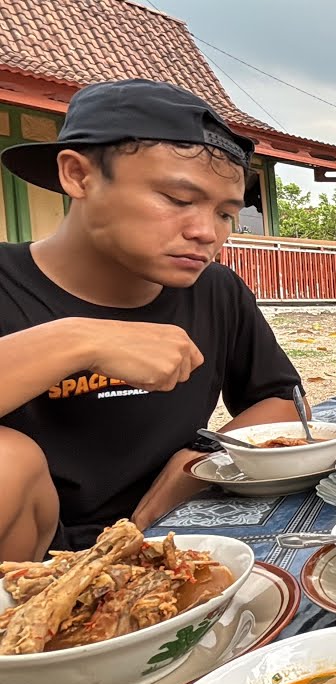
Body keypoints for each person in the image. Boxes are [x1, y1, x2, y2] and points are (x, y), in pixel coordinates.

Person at [0, 79, 305, 560]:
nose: (205, 232)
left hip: (168, 537)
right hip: (31, 558)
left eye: (225, 214)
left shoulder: (215, 292)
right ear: (78, 175)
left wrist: (204, 460)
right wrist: (78, 339)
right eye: (177, 199)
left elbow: (281, 400)